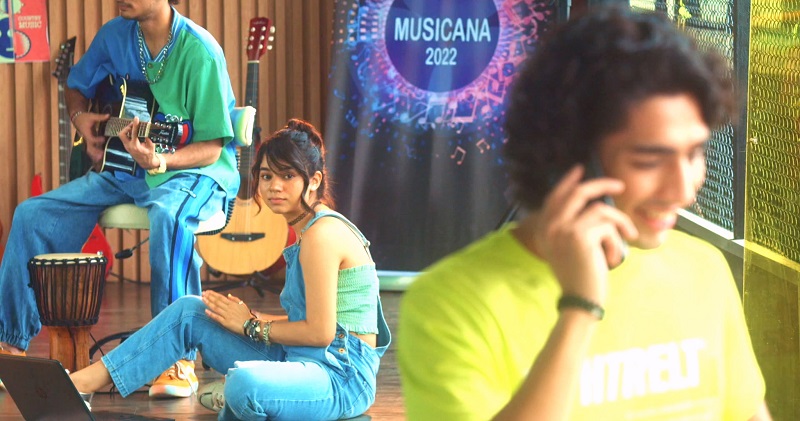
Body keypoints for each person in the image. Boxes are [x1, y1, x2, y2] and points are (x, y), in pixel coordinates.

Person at [398, 5, 771, 421]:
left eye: (694, 153)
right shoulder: (448, 306)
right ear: (568, 160)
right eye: (649, 161)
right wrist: (579, 309)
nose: (683, 190)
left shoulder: (703, 269)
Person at [68, 119, 392, 420]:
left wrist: (251, 325)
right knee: (190, 311)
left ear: (314, 181)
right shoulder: (307, 230)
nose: (274, 186)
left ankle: (247, 392)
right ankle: (78, 385)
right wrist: (249, 318)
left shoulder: (322, 235)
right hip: (301, 357)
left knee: (244, 384)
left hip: (340, 377)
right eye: (266, 176)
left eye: (288, 176)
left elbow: (321, 333)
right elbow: (310, 323)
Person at [0, 0, 238, 398]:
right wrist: (81, 120)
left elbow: (213, 146)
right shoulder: (114, 35)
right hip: (126, 168)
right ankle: (10, 345)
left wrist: (161, 160)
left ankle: (176, 358)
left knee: (169, 216)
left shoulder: (201, 52)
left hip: (194, 173)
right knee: (31, 214)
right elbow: (76, 85)